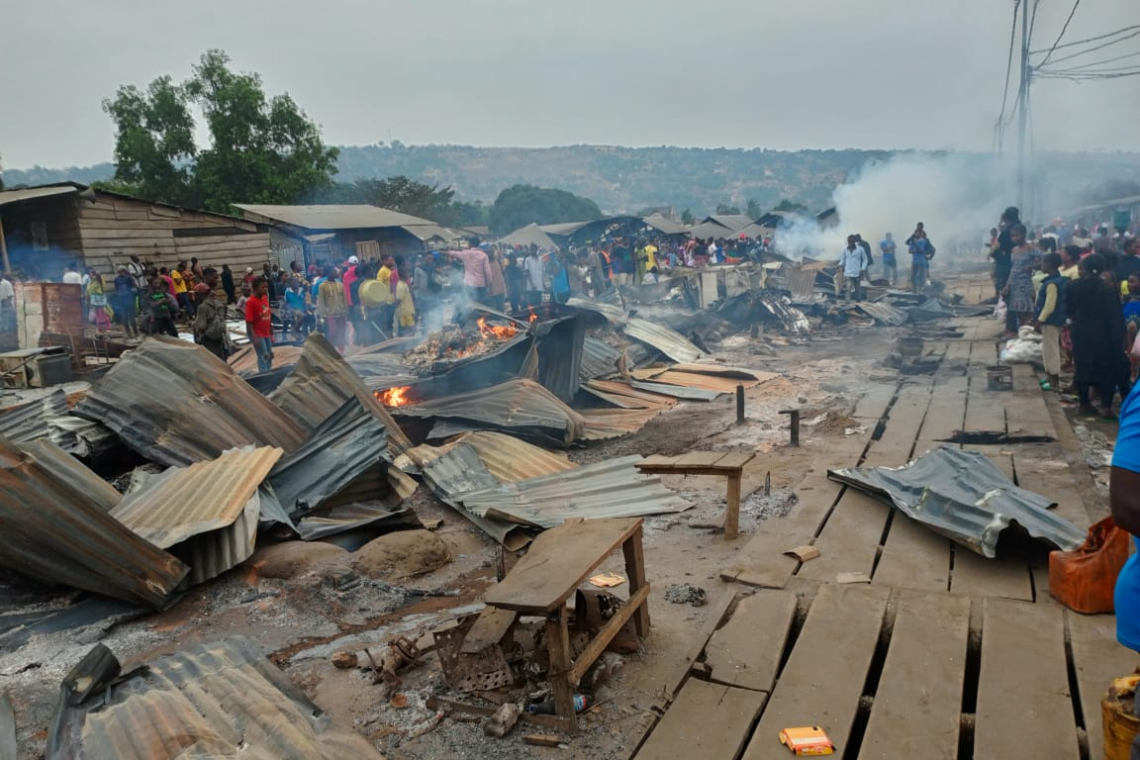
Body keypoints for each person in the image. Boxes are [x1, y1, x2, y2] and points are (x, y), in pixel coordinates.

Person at [1069, 253, 1124, 419]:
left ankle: (1084, 403)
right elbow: (1114, 316)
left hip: (1080, 333)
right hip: (1103, 335)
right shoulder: (1108, 289)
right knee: (1106, 368)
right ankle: (1105, 407)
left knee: (1082, 366)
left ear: (1084, 268)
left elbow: (1069, 310)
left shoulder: (1073, 286)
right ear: (1103, 268)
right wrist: (1119, 338)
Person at [1034, 252, 1068, 390]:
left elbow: (1049, 306)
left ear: (1049, 265)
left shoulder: (1052, 284)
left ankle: (1054, 380)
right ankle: (1050, 377)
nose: (1041, 265)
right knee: (1050, 348)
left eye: (1043, 263)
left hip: (1050, 321)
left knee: (1051, 350)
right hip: (1055, 319)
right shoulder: (1059, 280)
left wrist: (1040, 320)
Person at [1001, 224, 1041, 334]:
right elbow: (1013, 269)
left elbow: (1045, 261)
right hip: (1014, 283)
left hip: (1026, 283)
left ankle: (1028, 333)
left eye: (1016, 235)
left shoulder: (1031, 248)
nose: (1014, 238)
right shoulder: (1014, 250)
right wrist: (1007, 285)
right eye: (1012, 236)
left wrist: (1031, 267)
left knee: (1026, 311)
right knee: (1016, 310)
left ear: (1023, 235)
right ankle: (1021, 334)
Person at [245, 276, 274, 373]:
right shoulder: (251, 302)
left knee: (269, 355)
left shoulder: (265, 298)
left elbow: (267, 314)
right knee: (263, 356)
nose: (265, 289)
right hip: (258, 334)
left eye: (266, 287)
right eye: (262, 287)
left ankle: (270, 373)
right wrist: (254, 337)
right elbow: (249, 321)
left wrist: (270, 328)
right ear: (255, 288)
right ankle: (264, 376)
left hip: (266, 333)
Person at [193, 283, 228, 359]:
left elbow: (202, 326)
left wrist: (194, 325)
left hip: (209, 339)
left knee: (212, 360)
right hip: (220, 336)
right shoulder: (219, 304)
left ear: (200, 294)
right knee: (221, 359)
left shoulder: (202, 307)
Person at [317, 267, 349, 350]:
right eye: (334, 271)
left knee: (342, 332)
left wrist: (346, 310)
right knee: (333, 333)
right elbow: (321, 300)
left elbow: (344, 298)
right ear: (329, 273)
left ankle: (341, 350)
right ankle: (331, 350)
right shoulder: (322, 286)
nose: (337, 273)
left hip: (341, 312)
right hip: (330, 313)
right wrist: (322, 314)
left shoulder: (340, 284)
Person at [839, 235, 868, 302]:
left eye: (852, 241)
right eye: (849, 242)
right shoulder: (844, 249)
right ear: (848, 242)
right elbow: (842, 260)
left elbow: (865, 259)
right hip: (848, 272)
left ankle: (859, 302)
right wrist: (839, 265)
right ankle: (847, 302)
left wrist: (863, 269)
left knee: (858, 288)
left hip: (857, 272)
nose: (850, 243)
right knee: (848, 288)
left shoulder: (860, 249)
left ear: (854, 241)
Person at [906, 229, 935, 294]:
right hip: (915, 262)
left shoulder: (924, 241)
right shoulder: (912, 242)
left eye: (919, 233)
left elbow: (930, 250)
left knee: (923, 277)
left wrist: (929, 257)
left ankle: (922, 290)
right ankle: (915, 291)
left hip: (922, 262)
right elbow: (910, 250)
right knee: (913, 278)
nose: (918, 234)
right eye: (916, 233)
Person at [112, 267, 138, 338]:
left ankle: (134, 332)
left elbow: (134, 286)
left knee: (130, 318)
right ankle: (130, 333)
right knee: (125, 319)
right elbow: (116, 289)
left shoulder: (129, 278)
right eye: (119, 272)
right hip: (124, 300)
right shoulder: (117, 279)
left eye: (121, 271)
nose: (121, 273)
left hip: (128, 300)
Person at [86, 272, 112, 336]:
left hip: (99, 301)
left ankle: (107, 328)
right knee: (98, 315)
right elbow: (88, 291)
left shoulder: (97, 283)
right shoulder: (92, 282)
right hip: (96, 301)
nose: (90, 276)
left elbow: (94, 291)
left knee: (102, 314)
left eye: (91, 275)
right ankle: (100, 328)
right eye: (90, 275)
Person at [394, 271, 416, 336]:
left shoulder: (404, 284)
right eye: (407, 274)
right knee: (408, 330)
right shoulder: (400, 286)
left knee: (410, 329)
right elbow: (398, 300)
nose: (408, 275)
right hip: (405, 312)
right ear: (403, 275)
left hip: (408, 310)